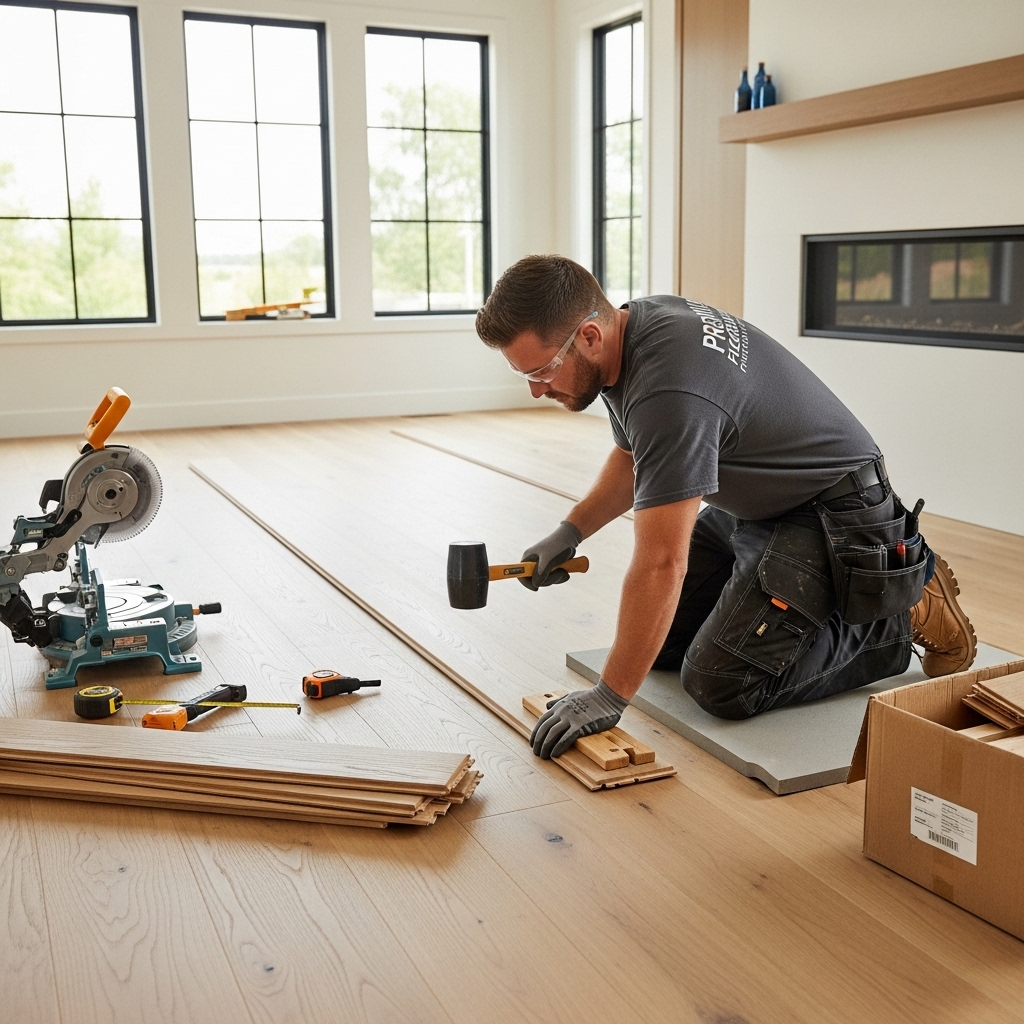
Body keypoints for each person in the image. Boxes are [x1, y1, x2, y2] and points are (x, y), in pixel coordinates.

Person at [474, 254, 977, 760]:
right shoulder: (634, 329)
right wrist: (571, 531)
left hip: (837, 515)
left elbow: (661, 563)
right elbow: (633, 456)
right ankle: (826, 597)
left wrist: (609, 696)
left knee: (721, 683)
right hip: (760, 505)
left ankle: (897, 606)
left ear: (588, 336)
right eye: (524, 374)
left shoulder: (669, 389)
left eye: (541, 370)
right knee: (664, 647)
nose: (536, 389)